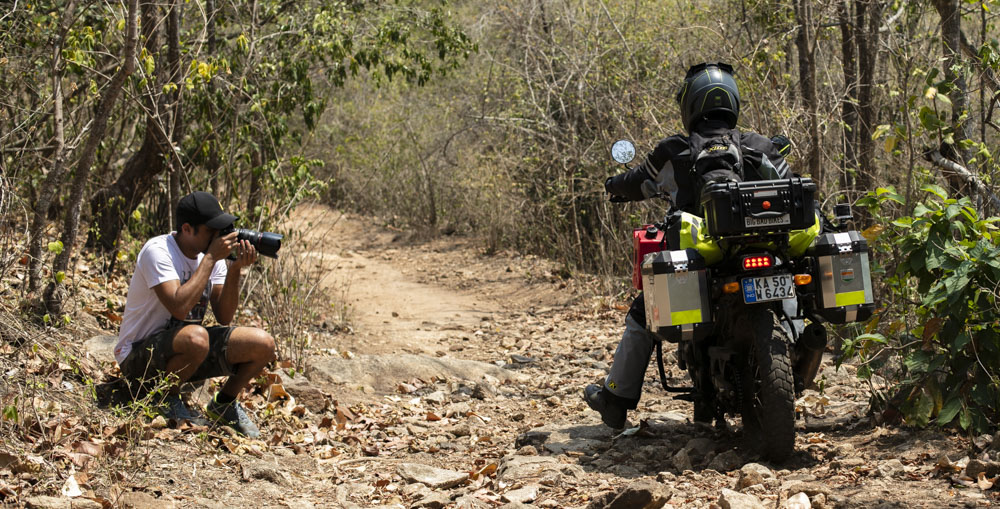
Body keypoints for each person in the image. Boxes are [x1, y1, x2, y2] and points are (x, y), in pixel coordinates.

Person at [583, 62, 792, 428]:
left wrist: (613, 185)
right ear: (732, 101)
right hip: (765, 252)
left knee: (643, 310)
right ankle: (804, 347)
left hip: (704, 258)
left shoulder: (676, 150)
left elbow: (638, 181)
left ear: (690, 105)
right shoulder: (759, 145)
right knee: (799, 291)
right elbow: (791, 192)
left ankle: (615, 400)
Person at [114, 191, 276, 438]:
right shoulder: (158, 251)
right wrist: (210, 258)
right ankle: (163, 399)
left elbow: (224, 316)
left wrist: (235, 269)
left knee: (263, 343)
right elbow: (178, 306)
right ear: (187, 229)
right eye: (212, 230)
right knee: (196, 338)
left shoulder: (212, 256)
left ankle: (224, 404)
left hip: (185, 352)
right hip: (138, 356)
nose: (219, 237)